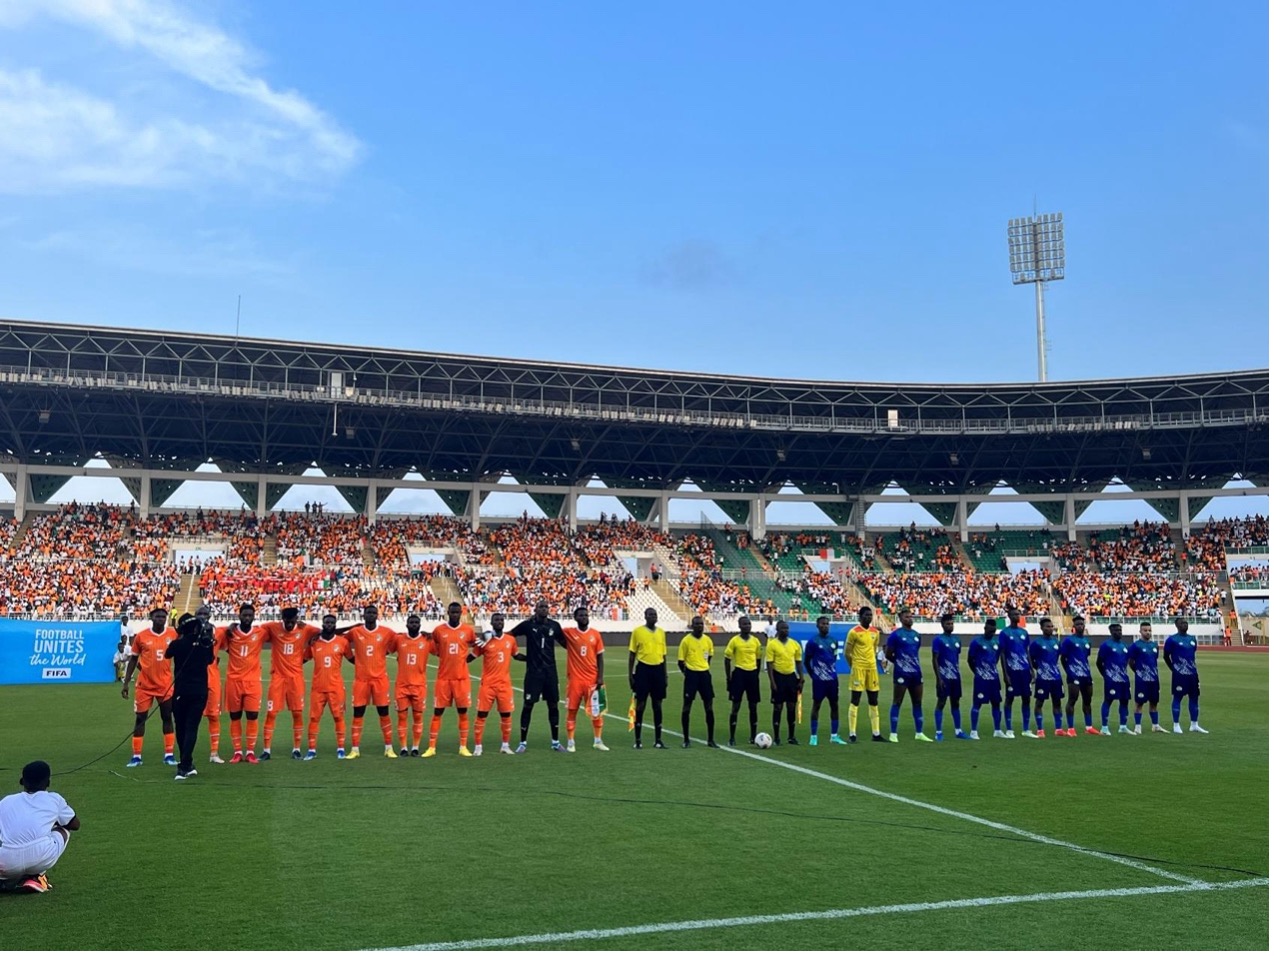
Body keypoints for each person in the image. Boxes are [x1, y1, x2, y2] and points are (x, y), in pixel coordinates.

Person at [0, 761, 79, 894]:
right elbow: (75, 824)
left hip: (7, 862)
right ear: (48, 783)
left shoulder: (6, 801)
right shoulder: (54, 799)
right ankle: (37, 877)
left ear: (22, 781)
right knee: (64, 829)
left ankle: (7, 880)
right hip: (41, 857)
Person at [120, 607, 177, 767]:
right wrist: (126, 683)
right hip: (144, 686)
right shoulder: (142, 636)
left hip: (165, 685)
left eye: (163, 617)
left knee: (167, 718)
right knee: (140, 719)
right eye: (157, 616)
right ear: (152, 618)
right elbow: (133, 660)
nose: (161, 619)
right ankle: (136, 756)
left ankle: (169, 754)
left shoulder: (172, 634)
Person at [510, 599, 568, 753]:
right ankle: (522, 742)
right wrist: (515, 653)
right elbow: (509, 636)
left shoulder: (554, 626)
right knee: (528, 705)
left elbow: (566, 643)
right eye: (540, 607)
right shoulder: (528, 625)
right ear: (535, 609)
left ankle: (555, 742)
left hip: (550, 672)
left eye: (546, 607)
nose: (543, 609)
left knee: (553, 705)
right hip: (533, 673)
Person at [261, 608, 318, 760]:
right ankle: (266, 750)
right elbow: (255, 629)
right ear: (282, 619)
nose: (290, 624)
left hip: (295, 678)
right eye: (287, 621)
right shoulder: (273, 627)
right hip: (278, 678)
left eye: (292, 621)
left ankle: (296, 749)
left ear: (296, 619)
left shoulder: (304, 629)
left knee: (297, 713)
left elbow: (324, 632)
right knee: (271, 713)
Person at [342, 604, 398, 759]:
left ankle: (388, 748)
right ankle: (354, 749)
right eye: (369, 613)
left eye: (374, 613)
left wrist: (386, 652)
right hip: (361, 680)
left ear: (377, 615)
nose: (371, 615)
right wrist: (352, 659)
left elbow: (397, 642)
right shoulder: (356, 632)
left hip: (380, 680)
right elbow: (341, 641)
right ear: (364, 615)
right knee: (358, 714)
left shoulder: (386, 632)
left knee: (384, 713)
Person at [164, 613, 216, 780]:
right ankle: (187, 763)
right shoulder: (204, 644)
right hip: (199, 691)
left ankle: (184, 764)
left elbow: (167, 654)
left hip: (181, 691)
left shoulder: (177, 644)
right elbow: (210, 660)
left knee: (181, 727)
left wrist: (181, 636)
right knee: (192, 727)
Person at [425, 602, 476, 758]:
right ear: (448, 612)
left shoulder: (467, 630)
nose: (454, 614)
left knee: (463, 712)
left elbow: (478, 645)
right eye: (452, 612)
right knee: (437, 712)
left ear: (461, 613)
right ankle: (431, 747)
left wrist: (470, 657)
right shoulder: (439, 630)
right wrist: (441, 655)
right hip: (443, 678)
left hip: (461, 679)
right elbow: (431, 644)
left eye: (457, 612)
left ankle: (463, 746)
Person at [221, 603, 268, 763]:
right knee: (235, 717)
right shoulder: (230, 633)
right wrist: (229, 626)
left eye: (250, 615)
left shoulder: (260, 632)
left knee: (252, 716)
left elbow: (281, 628)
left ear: (254, 616)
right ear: (239, 615)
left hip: (253, 681)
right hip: (234, 681)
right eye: (244, 615)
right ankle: (237, 752)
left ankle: (250, 752)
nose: (247, 618)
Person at [470, 612, 522, 756]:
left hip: (504, 685)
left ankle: (505, 745)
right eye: (496, 620)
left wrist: (533, 659)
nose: (499, 622)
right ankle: (478, 747)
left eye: (501, 620)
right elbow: (471, 657)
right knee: (481, 715)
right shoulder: (485, 641)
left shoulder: (510, 640)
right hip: (488, 685)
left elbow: (516, 656)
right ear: (492, 623)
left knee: (506, 715)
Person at [303, 615, 351, 759]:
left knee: (338, 717)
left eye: (332, 622)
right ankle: (311, 750)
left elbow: (353, 659)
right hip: (318, 687)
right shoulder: (314, 643)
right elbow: (302, 659)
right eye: (327, 622)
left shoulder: (343, 642)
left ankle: (341, 749)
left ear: (335, 625)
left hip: (336, 687)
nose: (329, 625)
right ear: (322, 624)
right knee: (314, 719)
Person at [563, 606, 608, 753]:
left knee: (596, 712)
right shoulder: (569, 633)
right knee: (572, 711)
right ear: (575, 618)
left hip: (592, 680)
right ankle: (570, 742)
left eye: (586, 615)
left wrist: (600, 676)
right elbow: (555, 630)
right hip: (575, 680)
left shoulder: (595, 634)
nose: (584, 617)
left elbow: (600, 656)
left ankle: (598, 741)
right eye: (581, 615)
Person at [885, 607, 932, 743]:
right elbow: (889, 654)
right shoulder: (895, 635)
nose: (910, 619)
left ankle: (919, 732)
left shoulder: (917, 635)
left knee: (917, 702)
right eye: (906, 617)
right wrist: (900, 663)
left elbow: (914, 653)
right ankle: (893, 733)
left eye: (911, 616)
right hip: (901, 673)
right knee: (897, 701)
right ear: (900, 619)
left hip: (916, 673)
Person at [627, 607, 668, 749]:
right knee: (641, 704)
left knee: (657, 704)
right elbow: (632, 654)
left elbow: (664, 655)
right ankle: (638, 740)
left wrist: (665, 674)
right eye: (650, 614)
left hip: (658, 670)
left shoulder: (661, 632)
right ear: (645, 616)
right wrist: (630, 675)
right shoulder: (637, 632)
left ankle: (658, 739)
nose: (653, 616)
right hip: (643, 669)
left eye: (655, 614)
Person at [845, 606, 886, 743]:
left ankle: (876, 733)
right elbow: (847, 652)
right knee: (855, 700)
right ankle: (852, 734)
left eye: (870, 615)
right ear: (860, 617)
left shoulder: (875, 632)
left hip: (872, 669)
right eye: (866, 615)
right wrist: (854, 666)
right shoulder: (854, 632)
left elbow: (874, 649)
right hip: (858, 669)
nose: (869, 617)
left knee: (873, 700)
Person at [393, 613, 431, 756]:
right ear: (407, 625)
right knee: (402, 717)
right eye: (411, 622)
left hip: (419, 686)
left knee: (418, 717)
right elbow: (387, 648)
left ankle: (415, 747)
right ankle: (403, 748)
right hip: (402, 686)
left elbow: (440, 649)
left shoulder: (427, 641)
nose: (414, 624)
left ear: (420, 625)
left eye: (416, 622)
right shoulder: (399, 639)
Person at [804, 616, 845, 746]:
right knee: (816, 705)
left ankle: (834, 736)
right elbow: (806, 661)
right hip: (819, 680)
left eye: (827, 624)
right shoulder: (813, 642)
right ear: (817, 625)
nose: (825, 626)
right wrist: (813, 675)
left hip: (832, 679)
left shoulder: (833, 640)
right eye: (823, 624)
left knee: (834, 705)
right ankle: (813, 736)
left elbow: (832, 659)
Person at [676, 615, 716, 748]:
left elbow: (709, 656)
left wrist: (704, 667)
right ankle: (686, 739)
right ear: (692, 626)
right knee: (687, 707)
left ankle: (710, 739)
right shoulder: (686, 641)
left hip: (704, 675)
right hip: (691, 675)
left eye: (701, 624)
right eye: (697, 624)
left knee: (709, 707)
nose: (700, 626)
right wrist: (687, 674)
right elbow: (680, 662)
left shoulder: (708, 640)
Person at [723, 616, 763, 747]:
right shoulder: (734, 641)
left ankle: (753, 736)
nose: (747, 626)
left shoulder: (756, 641)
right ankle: (731, 737)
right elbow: (727, 659)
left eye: (749, 624)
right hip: (739, 673)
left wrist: (755, 674)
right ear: (739, 626)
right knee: (736, 706)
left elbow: (758, 659)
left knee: (753, 707)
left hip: (752, 675)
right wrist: (728, 677)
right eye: (744, 624)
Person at [1164, 617, 1207, 734]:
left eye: (1186, 622)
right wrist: (1173, 669)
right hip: (1179, 675)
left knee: (1194, 698)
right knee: (1177, 698)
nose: (1185, 624)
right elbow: (1165, 656)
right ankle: (1176, 725)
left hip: (1193, 674)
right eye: (1182, 623)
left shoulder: (1192, 639)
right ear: (1177, 625)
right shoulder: (1172, 640)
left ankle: (1194, 724)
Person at [765, 620, 804, 745]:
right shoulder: (772, 644)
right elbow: (769, 663)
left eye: (787, 628)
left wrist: (801, 677)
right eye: (782, 628)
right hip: (778, 677)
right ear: (777, 630)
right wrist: (772, 681)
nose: (785, 630)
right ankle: (776, 737)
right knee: (778, 707)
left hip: (791, 677)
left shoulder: (794, 644)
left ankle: (791, 736)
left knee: (791, 706)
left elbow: (798, 662)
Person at [195, 606, 225, 764]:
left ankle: (214, 753)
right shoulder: (189, 632)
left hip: (212, 679)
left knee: (213, 715)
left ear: (210, 615)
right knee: (192, 717)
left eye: (205, 614)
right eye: (199, 614)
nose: (202, 616)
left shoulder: (218, 632)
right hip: (194, 679)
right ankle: (188, 753)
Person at [931, 613, 967, 741]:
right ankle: (938, 732)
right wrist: (938, 678)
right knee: (941, 703)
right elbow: (934, 659)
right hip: (944, 677)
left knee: (956, 703)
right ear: (942, 625)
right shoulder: (938, 640)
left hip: (955, 677)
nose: (950, 626)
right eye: (948, 624)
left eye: (952, 623)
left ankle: (958, 731)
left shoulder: (957, 640)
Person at [1060, 615, 1098, 737]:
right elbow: (1063, 658)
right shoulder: (1068, 641)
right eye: (1078, 624)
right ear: (1074, 627)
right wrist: (1069, 672)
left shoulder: (1087, 641)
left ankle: (1089, 727)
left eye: (1082, 624)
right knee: (1072, 700)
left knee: (1087, 701)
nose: (1080, 626)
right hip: (1074, 675)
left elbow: (1085, 657)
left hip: (1086, 675)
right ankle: (1071, 728)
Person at [998, 610, 1033, 739]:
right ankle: (1009, 729)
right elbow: (1002, 653)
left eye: (1018, 614)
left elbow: (1027, 651)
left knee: (1026, 698)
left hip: (1024, 671)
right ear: (1009, 617)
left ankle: (1026, 729)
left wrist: (1031, 669)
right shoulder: (1004, 633)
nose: (1017, 616)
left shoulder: (1024, 633)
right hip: (1012, 671)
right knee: (1010, 699)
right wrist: (1005, 673)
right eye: (1014, 615)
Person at [967, 618, 1003, 741]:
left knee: (996, 703)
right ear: (985, 628)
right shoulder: (976, 642)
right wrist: (977, 672)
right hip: (981, 679)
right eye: (990, 630)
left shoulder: (996, 642)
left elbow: (996, 659)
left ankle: (997, 730)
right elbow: (970, 659)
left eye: (993, 631)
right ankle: (973, 731)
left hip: (994, 678)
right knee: (977, 704)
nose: (991, 633)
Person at [1128, 621, 1167, 734]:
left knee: (1154, 702)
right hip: (1141, 680)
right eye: (1145, 630)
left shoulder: (1154, 645)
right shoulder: (1135, 646)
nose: (1147, 632)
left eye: (1149, 630)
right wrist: (1139, 672)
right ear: (1140, 631)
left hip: (1154, 679)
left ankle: (1155, 725)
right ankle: (1138, 726)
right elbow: (1131, 662)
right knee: (1139, 703)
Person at [1029, 618, 1066, 737]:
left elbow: (1059, 657)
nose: (1050, 628)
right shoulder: (1037, 643)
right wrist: (1037, 668)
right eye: (1047, 627)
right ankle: (1040, 730)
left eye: (1051, 626)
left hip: (1056, 677)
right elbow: (1030, 658)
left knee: (1057, 702)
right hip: (1042, 678)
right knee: (1039, 703)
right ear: (1042, 628)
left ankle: (1058, 729)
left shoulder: (1056, 642)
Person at [1096, 623, 1132, 735]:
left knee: (1125, 701)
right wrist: (1106, 675)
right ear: (1111, 632)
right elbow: (1099, 662)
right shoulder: (1106, 645)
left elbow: (1126, 662)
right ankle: (1104, 728)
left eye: (1120, 630)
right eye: (1116, 630)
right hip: (1111, 679)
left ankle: (1123, 726)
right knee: (1108, 700)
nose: (1119, 632)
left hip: (1124, 679)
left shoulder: (1125, 646)